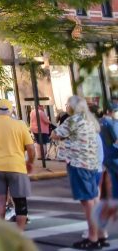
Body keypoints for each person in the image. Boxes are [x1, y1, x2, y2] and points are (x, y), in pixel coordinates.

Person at [52, 95, 104, 249]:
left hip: (78, 164)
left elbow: (55, 134)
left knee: (87, 202)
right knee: (94, 200)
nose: (66, 106)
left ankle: (92, 238)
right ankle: (99, 234)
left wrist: (63, 139)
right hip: (92, 164)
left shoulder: (72, 120)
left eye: (67, 104)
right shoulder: (90, 120)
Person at [0, 99, 34, 230]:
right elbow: (31, 148)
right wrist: (30, 162)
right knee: (20, 202)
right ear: (11, 110)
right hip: (16, 166)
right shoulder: (20, 124)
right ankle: (19, 234)